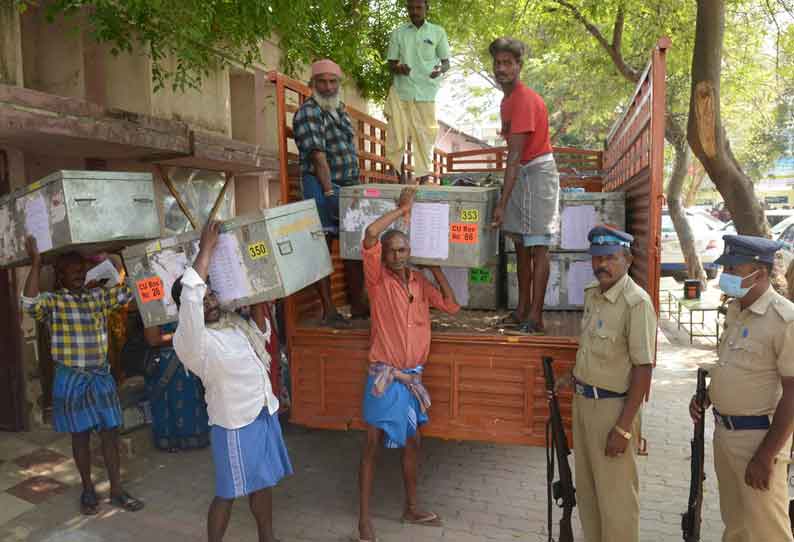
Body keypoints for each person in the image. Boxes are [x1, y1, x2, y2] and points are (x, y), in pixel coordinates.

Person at [172, 221, 292, 542]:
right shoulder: (191, 342)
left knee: (263, 483)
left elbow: (263, 337)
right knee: (228, 492)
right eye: (204, 297)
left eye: (212, 294)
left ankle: (267, 538)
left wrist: (256, 296)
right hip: (234, 424)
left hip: (262, 413)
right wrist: (206, 249)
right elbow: (192, 295)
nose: (209, 300)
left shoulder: (232, 324)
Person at [357, 186, 460, 542]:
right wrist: (403, 210)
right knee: (371, 446)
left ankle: (411, 507)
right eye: (392, 251)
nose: (398, 256)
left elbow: (450, 304)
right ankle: (364, 520)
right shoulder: (376, 281)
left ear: (410, 252)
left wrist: (435, 268)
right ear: (383, 256)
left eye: (403, 250)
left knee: (413, 444)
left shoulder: (419, 281)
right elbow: (370, 233)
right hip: (384, 378)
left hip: (413, 380)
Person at [20, 236, 143, 516]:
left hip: (100, 377)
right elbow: (28, 304)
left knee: (110, 434)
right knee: (81, 436)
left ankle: (116, 490)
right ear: (61, 276)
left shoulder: (98, 297)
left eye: (80, 269)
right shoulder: (53, 302)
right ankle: (88, 489)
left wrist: (123, 256)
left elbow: (132, 291)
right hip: (72, 378)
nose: (77, 274)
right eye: (71, 270)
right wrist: (37, 263)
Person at [689, 235, 794, 542]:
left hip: (759, 440)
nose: (726, 277)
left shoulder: (784, 319)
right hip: (725, 435)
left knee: (767, 532)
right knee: (736, 527)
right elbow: (737, 368)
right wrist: (708, 397)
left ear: (759, 273)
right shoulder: (737, 311)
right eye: (726, 269)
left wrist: (766, 456)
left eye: (734, 270)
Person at [555, 226, 656, 542]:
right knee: (589, 494)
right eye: (597, 258)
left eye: (610, 258)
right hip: (584, 405)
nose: (602, 265)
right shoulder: (593, 295)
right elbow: (596, 352)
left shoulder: (635, 302)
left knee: (617, 501)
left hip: (614, 411)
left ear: (626, 258)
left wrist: (624, 428)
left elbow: (643, 368)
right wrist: (573, 376)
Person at [489, 37, 560, 334]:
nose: (502, 68)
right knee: (520, 245)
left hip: (537, 174)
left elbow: (514, 157)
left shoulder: (523, 99)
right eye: (498, 62)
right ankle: (521, 310)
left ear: (519, 66)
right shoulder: (506, 101)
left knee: (538, 247)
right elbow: (511, 146)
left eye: (508, 63)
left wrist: (501, 204)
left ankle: (536, 316)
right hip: (523, 176)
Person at [293, 58, 367, 327]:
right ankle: (329, 310)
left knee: (354, 246)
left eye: (332, 81)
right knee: (320, 249)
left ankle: (359, 306)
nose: (327, 86)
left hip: (347, 185)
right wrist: (327, 191)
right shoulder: (309, 112)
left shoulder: (341, 110)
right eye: (321, 81)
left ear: (338, 83)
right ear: (312, 84)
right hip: (320, 184)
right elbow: (318, 157)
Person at [384, 0, 450, 183]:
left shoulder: (438, 32)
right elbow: (391, 63)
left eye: (419, 8)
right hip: (401, 91)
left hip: (426, 93)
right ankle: (400, 179)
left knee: (425, 137)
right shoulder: (398, 33)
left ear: (426, 9)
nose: (415, 11)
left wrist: (439, 70)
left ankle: (423, 181)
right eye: (411, 8)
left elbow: (446, 62)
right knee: (397, 136)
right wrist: (399, 68)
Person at [143, 322, 210, 452]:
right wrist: (184, 336)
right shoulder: (150, 302)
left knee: (190, 400)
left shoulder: (183, 301)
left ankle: (191, 438)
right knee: (169, 402)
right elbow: (153, 339)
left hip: (188, 363)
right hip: (166, 365)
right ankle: (171, 440)